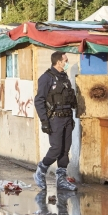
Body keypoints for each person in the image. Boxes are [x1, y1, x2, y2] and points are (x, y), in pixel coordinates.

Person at [33, 51, 78, 191]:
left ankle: (61, 180)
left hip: (67, 118)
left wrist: (72, 116)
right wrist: (44, 121)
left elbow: (70, 99)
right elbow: (39, 100)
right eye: (65, 60)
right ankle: (41, 171)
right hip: (55, 119)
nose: (67, 62)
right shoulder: (46, 78)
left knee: (65, 150)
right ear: (58, 62)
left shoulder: (64, 78)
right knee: (56, 148)